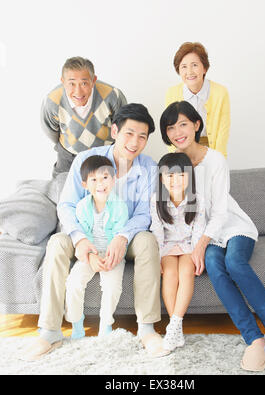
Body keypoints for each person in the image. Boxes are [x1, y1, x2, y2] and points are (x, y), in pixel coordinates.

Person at [159, 100, 265, 373]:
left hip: (233, 227)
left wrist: (199, 246)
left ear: (197, 124)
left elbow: (221, 211)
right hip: (205, 234)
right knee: (214, 265)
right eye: (171, 127)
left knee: (234, 263)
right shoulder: (174, 166)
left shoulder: (215, 160)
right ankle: (254, 339)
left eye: (183, 124)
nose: (177, 132)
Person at [21, 103, 167, 361]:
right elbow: (66, 205)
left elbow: (145, 214)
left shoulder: (148, 169)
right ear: (114, 131)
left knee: (147, 241)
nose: (135, 142)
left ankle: (146, 329)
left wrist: (123, 237)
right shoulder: (86, 160)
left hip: (126, 237)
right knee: (56, 243)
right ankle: (49, 331)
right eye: (129, 133)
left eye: (142, 136)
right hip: (87, 232)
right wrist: (80, 240)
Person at [64, 155, 128, 339]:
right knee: (74, 282)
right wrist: (91, 256)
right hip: (89, 253)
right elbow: (83, 235)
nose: (100, 184)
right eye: (94, 179)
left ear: (113, 180)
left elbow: (118, 235)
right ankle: (76, 322)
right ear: (85, 184)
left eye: (105, 178)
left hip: (112, 253)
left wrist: (109, 258)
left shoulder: (120, 206)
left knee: (112, 286)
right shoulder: (82, 207)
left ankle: (105, 323)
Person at [150, 152, 205, 351]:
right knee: (171, 274)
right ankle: (176, 328)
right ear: (161, 179)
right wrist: (156, 257)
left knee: (185, 273)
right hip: (167, 245)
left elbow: (199, 230)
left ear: (189, 176)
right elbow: (157, 231)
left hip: (190, 245)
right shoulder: (157, 199)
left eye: (181, 175)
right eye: (169, 176)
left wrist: (198, 253)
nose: (175, 180)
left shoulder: (197, 199)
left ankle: (174, 324)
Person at [41, 56, 127, 176]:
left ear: (93, 80)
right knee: (61, 191)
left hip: (106, 154)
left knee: (111, 191)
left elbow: (123, 129)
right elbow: (51, 131)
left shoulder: (113, 96)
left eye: (84, 83)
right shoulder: (52, 101)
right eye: (71, 83)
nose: (78, 91)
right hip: (68, 158)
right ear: (63, 82)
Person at [165, 42, 230, 158]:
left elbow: (222, 132)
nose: (189, 72)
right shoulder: (172, 93)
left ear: (204, 68)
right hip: (182, 149)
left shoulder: (220, 92)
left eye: (194, 65)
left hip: (211, 149)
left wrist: (218, 159)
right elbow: (169, 130)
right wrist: (176, 158)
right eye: (184, 66)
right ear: (179, 70)